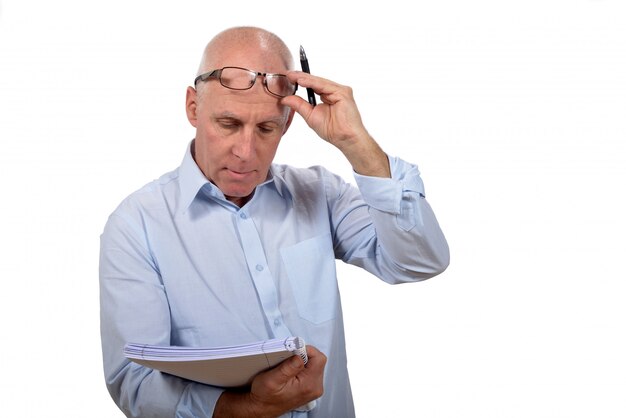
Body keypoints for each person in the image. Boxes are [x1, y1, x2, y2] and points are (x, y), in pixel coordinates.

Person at [99, 26, 449, 418]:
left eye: (266, 128)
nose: (246, 151)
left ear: (286, 124)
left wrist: (356, 142)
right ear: (193, 108)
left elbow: (418, 261)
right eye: (228, 124)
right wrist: (246, 408)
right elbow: (134, 381)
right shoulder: (136, 225)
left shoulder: (320, 193)